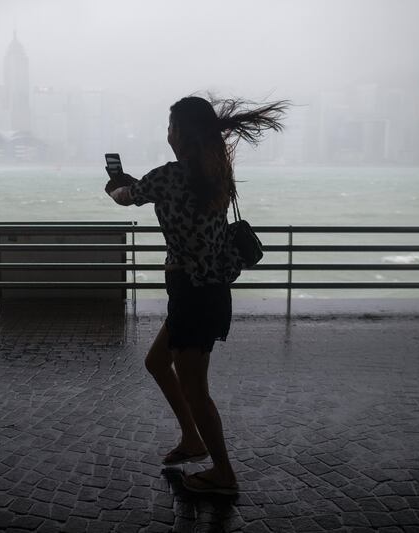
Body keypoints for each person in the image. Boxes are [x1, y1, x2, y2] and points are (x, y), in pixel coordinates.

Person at [104, 96, 287, 495]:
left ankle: (224, 473)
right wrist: (135, 185)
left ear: (182, 134)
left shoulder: (169, 176)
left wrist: (116, 188)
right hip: (211, 291)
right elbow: (153, 190)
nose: (167, 134)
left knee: (195, 389)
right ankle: (192, 438)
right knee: (157, 362)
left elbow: (127, 197)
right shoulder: (217, 173)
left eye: (171, 128)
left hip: (192, 293)